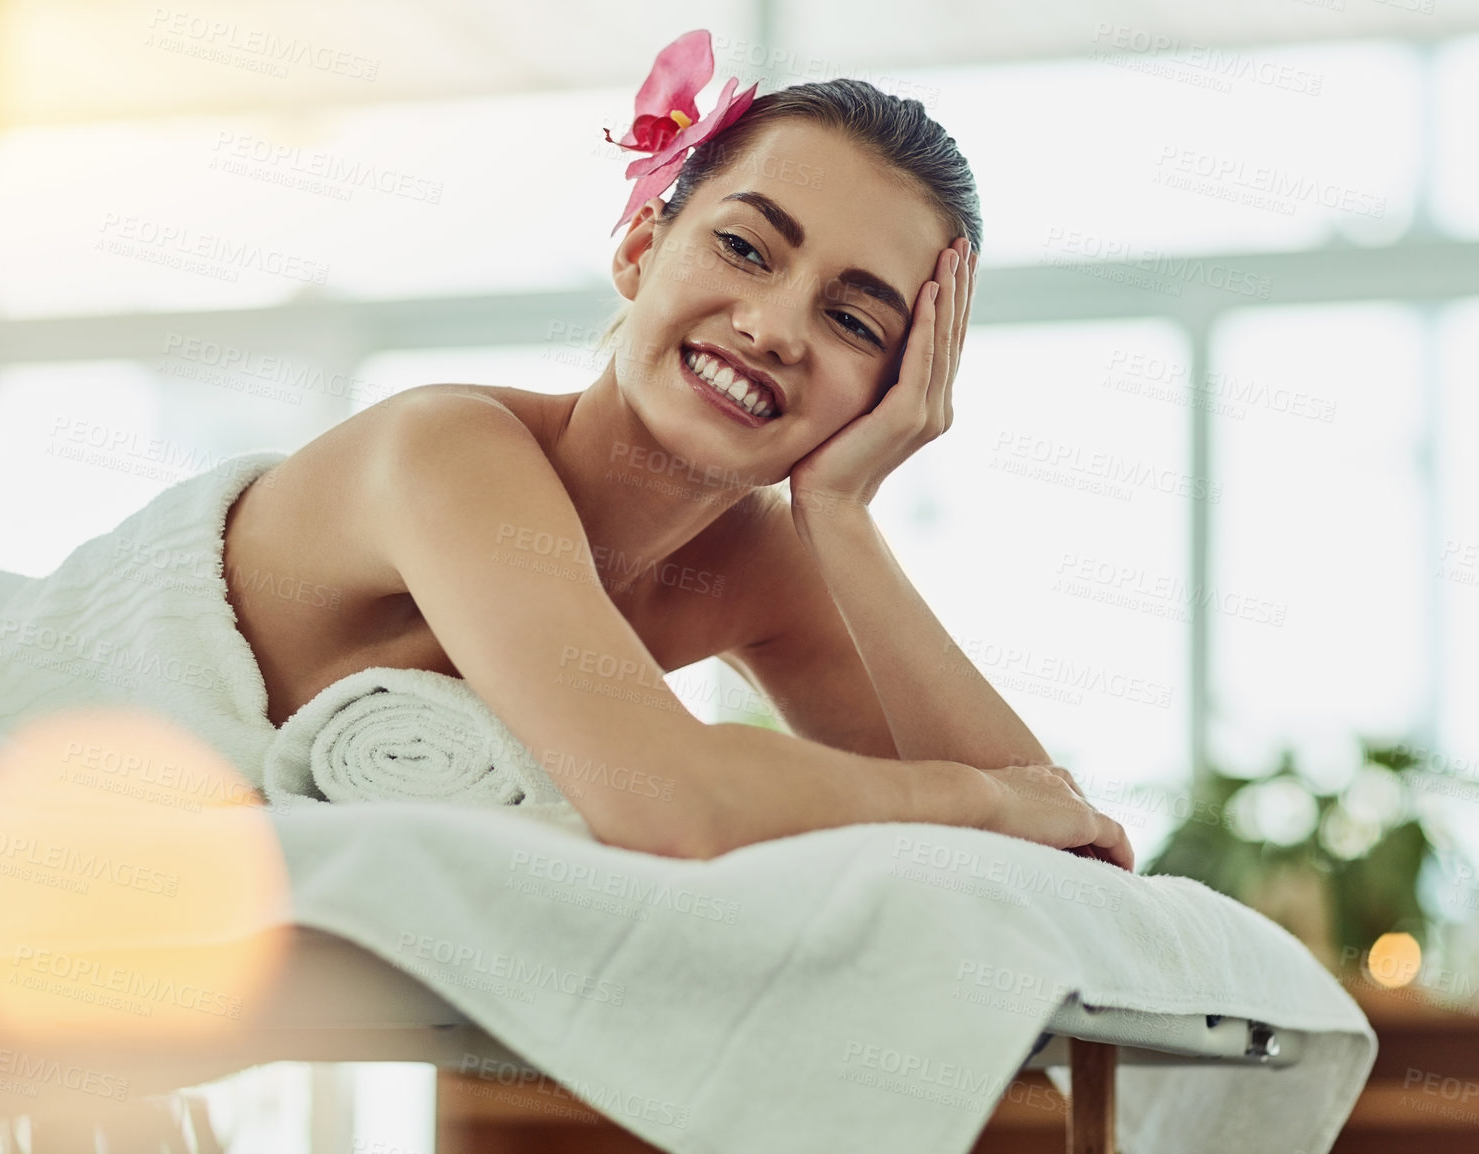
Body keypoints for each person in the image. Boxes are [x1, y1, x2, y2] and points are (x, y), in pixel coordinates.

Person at [220, 35, 1135, 870]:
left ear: (896, 390)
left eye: (853, 320)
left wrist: (843, 516)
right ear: (640, 247)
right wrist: (979, 800)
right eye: (743, 246)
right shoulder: (443, 450)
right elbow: (672, 806)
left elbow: (1072, 859)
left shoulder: (760, 564)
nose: (774, 328)